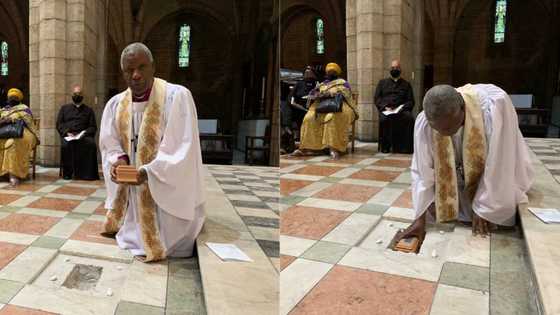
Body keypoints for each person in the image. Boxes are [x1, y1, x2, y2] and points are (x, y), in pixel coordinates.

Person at [99, 42, 206, 262]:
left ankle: (163, 239)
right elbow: (109, 141)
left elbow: (181, 147)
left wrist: (148, 172)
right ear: (123, 73)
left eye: (141, 67)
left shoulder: (177, 97)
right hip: (132, 190)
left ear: (153, 67)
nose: (136, 75)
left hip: (163, 188)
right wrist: (118, 160)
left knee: (171, 231)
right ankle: (134, 230)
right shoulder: (115, 104)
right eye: (129, 70)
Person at [394, 84, 534, 245]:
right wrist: (419, 218)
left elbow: (499, 163)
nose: (443, 133)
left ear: (462, 108)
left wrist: (485, 207)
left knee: (495, 211)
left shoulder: (494, 106)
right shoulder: (426, 122)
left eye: (448, 128)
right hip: (460, 179)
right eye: (437, 129)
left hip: (497, 174)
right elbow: (421, 171)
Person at [292, 62, 357, 160]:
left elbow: (346, 93)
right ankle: (309, 148)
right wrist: (316, 94)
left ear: (337, 73)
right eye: (329, 72)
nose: (330, 73)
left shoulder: (343, 82)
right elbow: (313, 92)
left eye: (333, 72)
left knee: (331, 117)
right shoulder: (322, 83)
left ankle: (334, 148)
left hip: (339, 105)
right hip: (322, 105)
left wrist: (330, 93)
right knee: (309, 118)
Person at [56, 85, 100, 180]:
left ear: (82, 96)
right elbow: (59, 124)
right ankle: (68, 173)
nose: (77, 95)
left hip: (84, 135)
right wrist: (67, 132)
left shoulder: (89, 110)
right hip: (69, 135)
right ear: (72, 95)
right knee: (66, 145)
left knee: (91, 144)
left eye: (79, 93)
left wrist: (84, 133)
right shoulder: (64, 109)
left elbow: (93, 127)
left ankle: (87, 174)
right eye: (75, 94)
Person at [374, 59, 415, 153]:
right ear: (390, 69)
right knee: (384, 119)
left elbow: (411, 101)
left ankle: (404, 148)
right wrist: (384, 107)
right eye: (393, 68)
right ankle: (385, 146)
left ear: (400, 69)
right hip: (386, 109)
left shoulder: (406, 84)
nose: (394, 69)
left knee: (409, 118)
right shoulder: (382, 83)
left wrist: (401, 108)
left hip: (401, 110)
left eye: (396, 67)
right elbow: (377, 98)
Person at [0, 88, 39, 186]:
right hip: (5, 133)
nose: (12, 98)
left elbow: (29, 124)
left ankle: (14, 174)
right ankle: (2, 172)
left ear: (19, 99)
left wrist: (13, 119)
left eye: (14, 97)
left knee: (12, 143)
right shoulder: (3, 110)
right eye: (10, 97)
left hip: (23, 133)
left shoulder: (25, 109)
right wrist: (3, 120)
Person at [287, 66, 318, 130]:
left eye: (310, 73)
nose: (307, 75)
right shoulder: (299, 84)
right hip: (299, 112)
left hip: (314, 112)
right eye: (306, 73)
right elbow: (291, 98)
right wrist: (297, 105)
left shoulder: (317, 84)